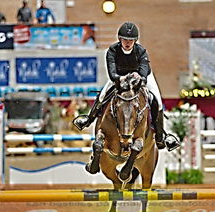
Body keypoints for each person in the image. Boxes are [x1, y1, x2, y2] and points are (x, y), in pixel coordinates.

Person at [73, 22, 179, 151]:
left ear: (135, 41)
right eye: (125, 40)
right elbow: (112, 73)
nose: (128, 43)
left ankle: (161, 137)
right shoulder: (112, 51)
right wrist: (120, 78)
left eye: (131, 40)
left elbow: (144, 69)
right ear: (120, 39)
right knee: (102, 95)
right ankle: (88, 119)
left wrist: (140, 77)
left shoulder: (141, 51)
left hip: (141, 76)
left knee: (157, 101)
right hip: (120, 77)